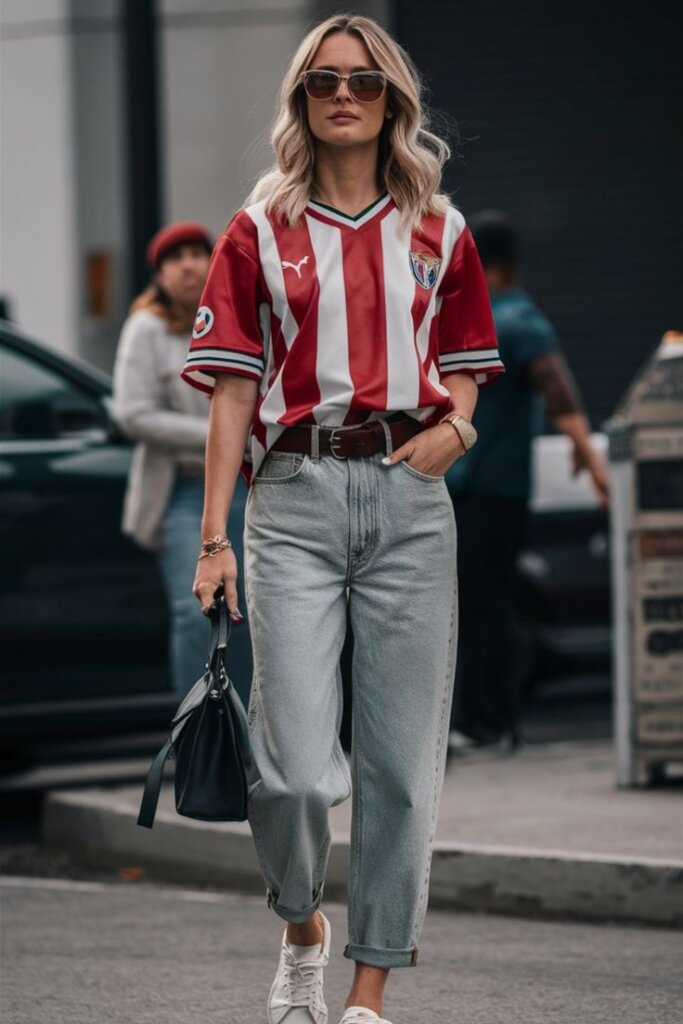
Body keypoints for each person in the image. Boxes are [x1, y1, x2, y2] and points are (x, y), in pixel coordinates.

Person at [182, 15, 504, 1024]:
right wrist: (211, 537)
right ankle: (299, 928)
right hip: (293, 498)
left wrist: (457, 428)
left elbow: (466, 359)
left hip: (409, 497)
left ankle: (366, 993)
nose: (342, 94)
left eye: (361, 80)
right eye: (322, 79)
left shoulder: (438, 229)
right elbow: (230, 393)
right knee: (286, 774)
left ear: (389, 98)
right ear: (302, 98)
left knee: (401, 770)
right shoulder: (254, 230)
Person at [446, 210, 609, 751]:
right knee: (482, 605)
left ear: (485, 264)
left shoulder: (515, 321)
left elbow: (557, 391)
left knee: (485, 607)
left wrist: (593, 462)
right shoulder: (487, 316)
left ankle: (486, 723)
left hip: (492, 491)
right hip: (477, 489)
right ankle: (486, 717)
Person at [112, 221, 225, 700]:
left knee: (255, 615)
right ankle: (197, 735)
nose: (188, 265)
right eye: (174, 258)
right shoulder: (147, 328)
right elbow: (132, 414)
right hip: (182, 489)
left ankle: (251, 739)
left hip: (247, 485)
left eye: (198, 253)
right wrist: (219, 437)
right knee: (194, 612)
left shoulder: (235, 314)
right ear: (158, 273)